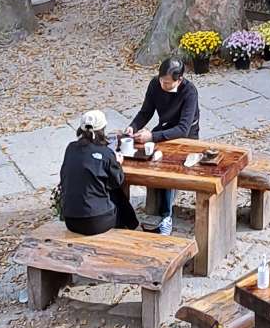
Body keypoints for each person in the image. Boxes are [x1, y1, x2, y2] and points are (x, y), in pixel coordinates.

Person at [129, 56, 201, 235]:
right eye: (162, 80)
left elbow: (183, 129)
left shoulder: (189, 92)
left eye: (168, 83)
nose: (164, 85)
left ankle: (166, 214)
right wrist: (133, 127)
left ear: (180, 79)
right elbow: (145, 111)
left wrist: (152, 136)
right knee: (144, 156)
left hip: (186, 136)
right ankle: (150, 208)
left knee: (168, 165)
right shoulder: (155, 85)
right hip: (164, 129)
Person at [58, 111, 139, 235]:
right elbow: (117, 181)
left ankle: (131, 225)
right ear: (102, 130)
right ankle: (130, 228)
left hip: (70, 220)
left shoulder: (70, 148)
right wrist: (117, 163)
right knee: (117, 195)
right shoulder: (106, 153)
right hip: (97, 222)